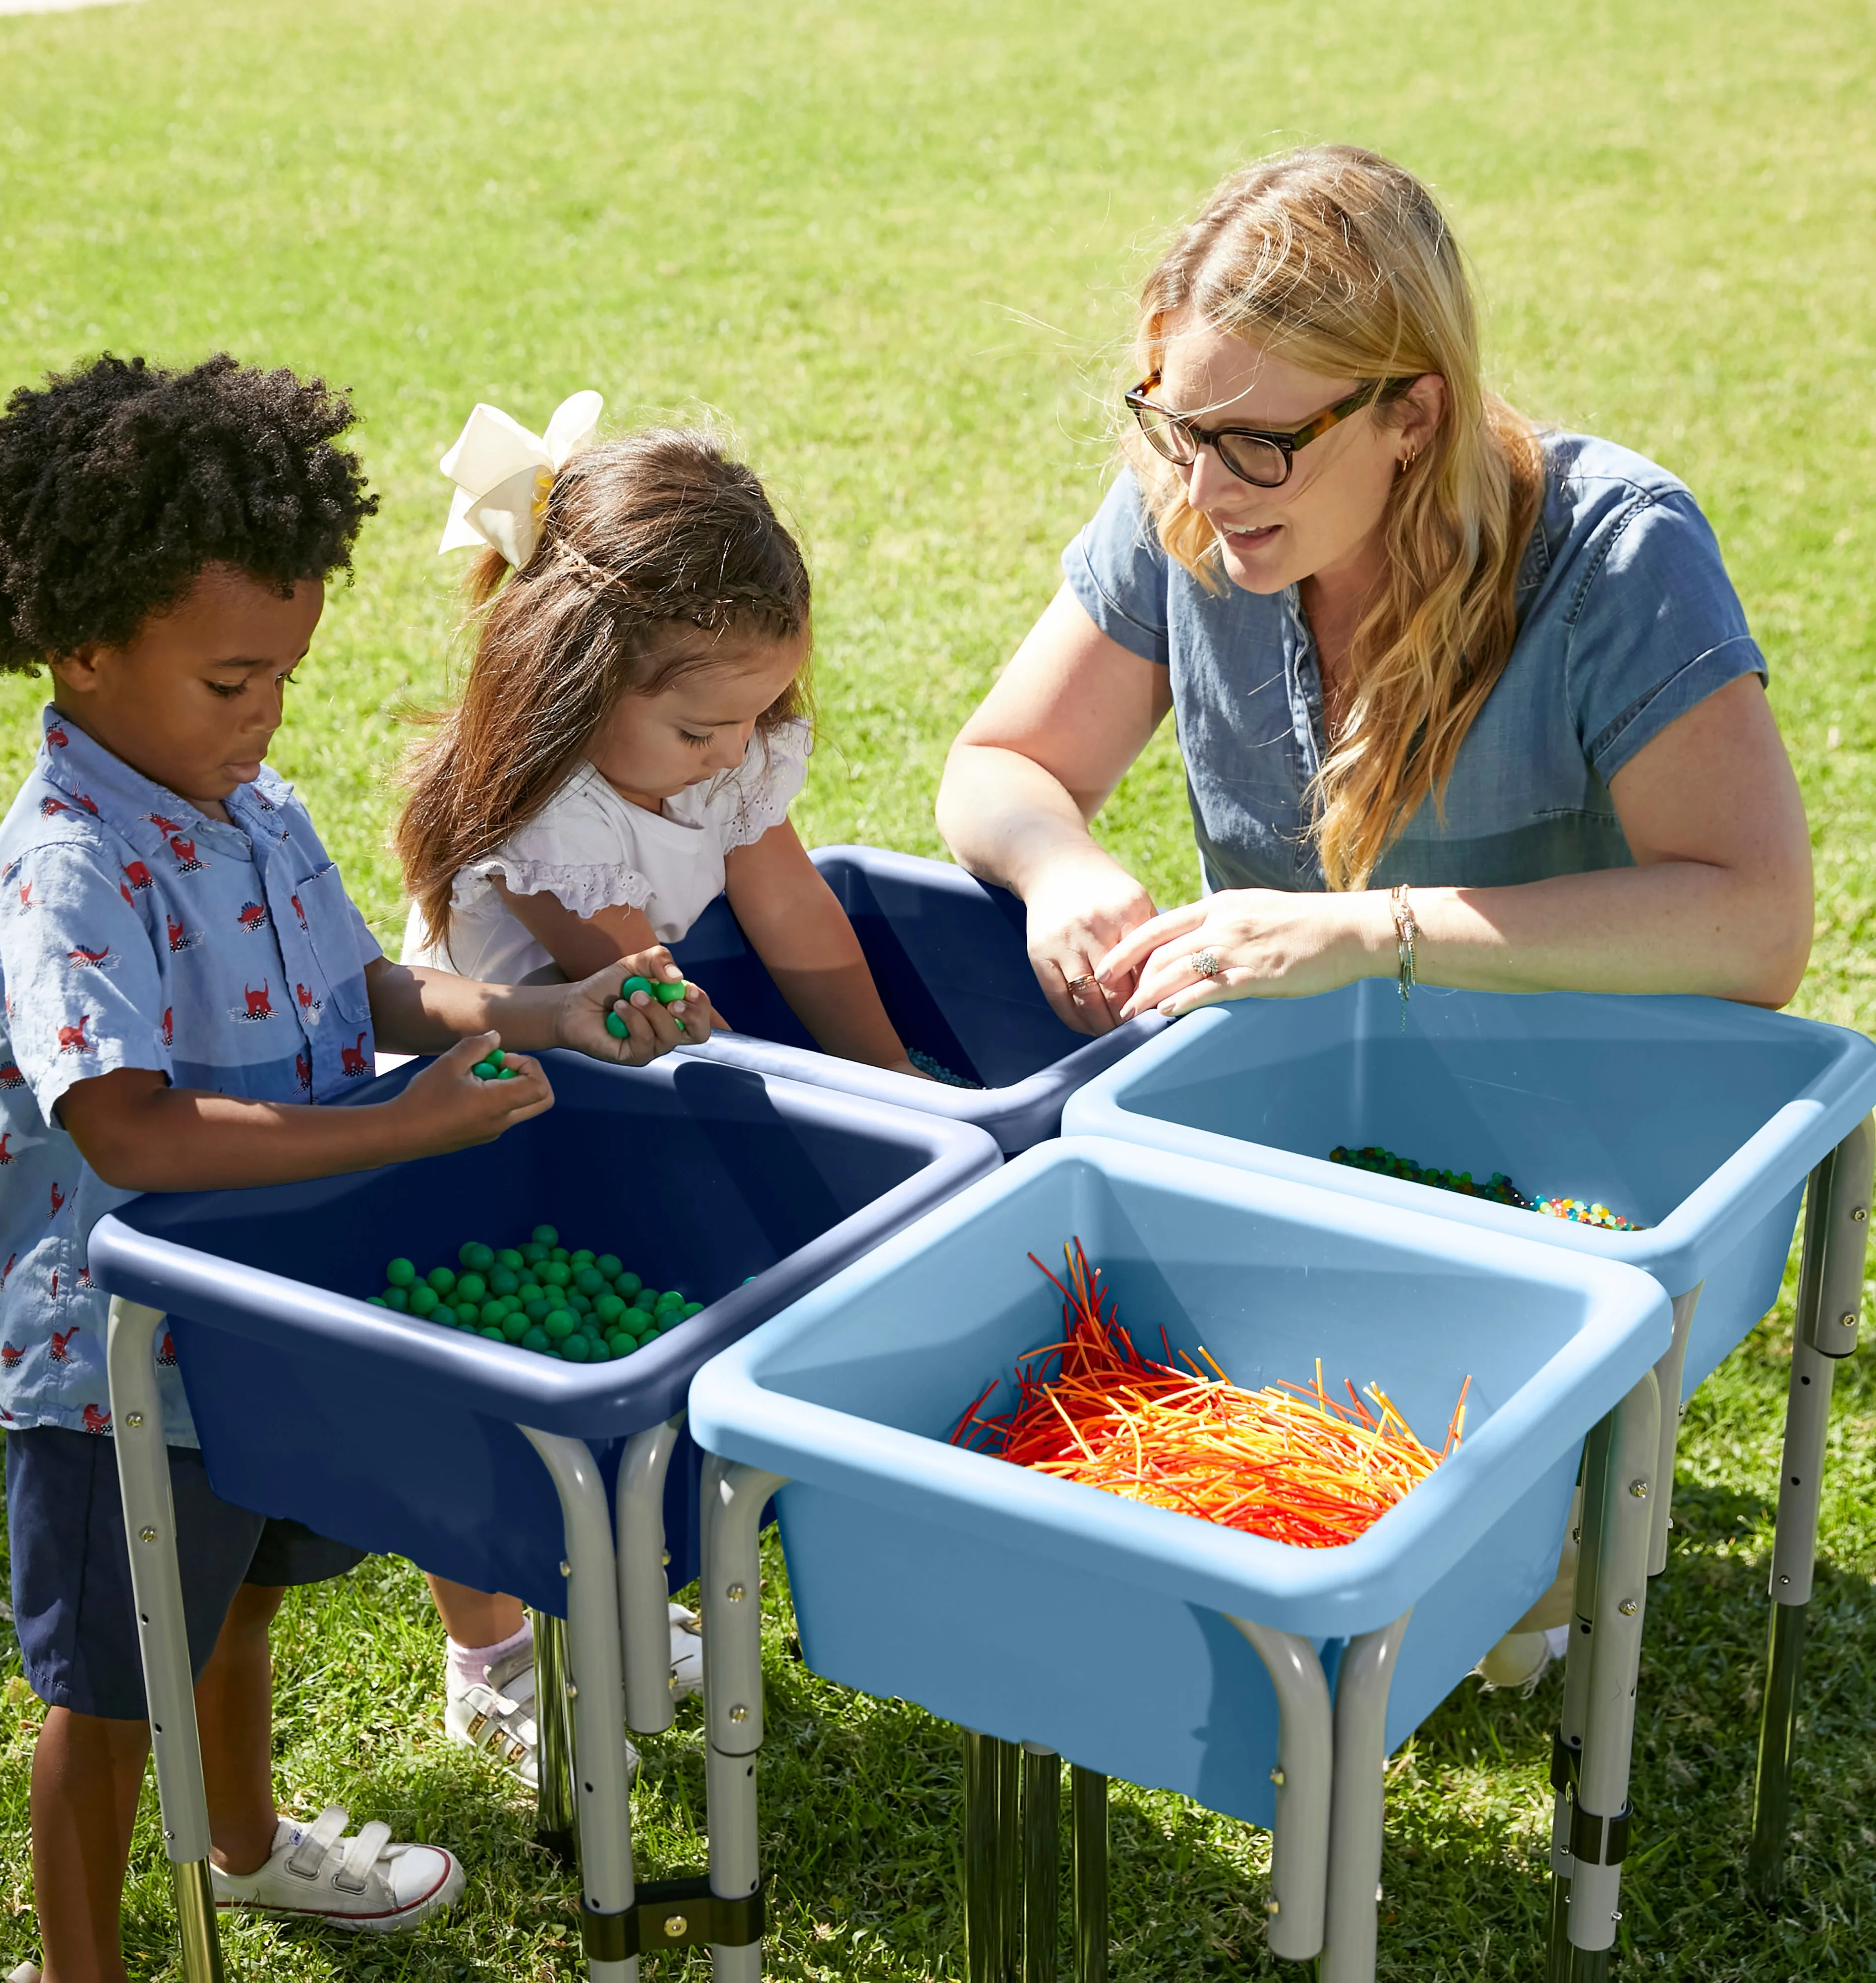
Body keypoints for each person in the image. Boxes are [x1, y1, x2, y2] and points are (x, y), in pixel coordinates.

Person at [935, 145, 1812, 1682]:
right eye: (1178, 425)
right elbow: (1001, 764)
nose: (1206, 492)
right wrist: (1060, 868)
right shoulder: (1195, 508)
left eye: (1260, 443)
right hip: (1297, 1129)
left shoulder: (1614, 553)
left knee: (1480, 1616)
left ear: (1413, 412)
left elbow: (1752, 922)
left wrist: (1376, 930)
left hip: (1564, 1166)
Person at [0, 354, 709, 1982]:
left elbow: (365, 989)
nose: (267, 714)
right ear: (82, 651)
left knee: (237, 1603)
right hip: (111, 1365)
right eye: (232, 681)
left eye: (282, 674)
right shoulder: (71, 867)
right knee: (107, 1690)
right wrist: (393, 1127)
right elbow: (128, 1129)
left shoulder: (250, 799)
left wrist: (544, 1008)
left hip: (251, 1325)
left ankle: (242, 1846)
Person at [394, 399, 928, 1780]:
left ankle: (613, 1600)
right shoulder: (541, 812)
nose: (738, 753)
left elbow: (799, 915)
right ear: (578, 682)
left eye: (760, 717)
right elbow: (636, 981)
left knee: (618, 1350)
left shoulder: (715, 759)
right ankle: (492, 1654)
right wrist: (800, 1104)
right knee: (496, 1388)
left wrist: (896, 1077)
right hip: (491, 1100)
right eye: (705, 725)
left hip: (616, 1090)